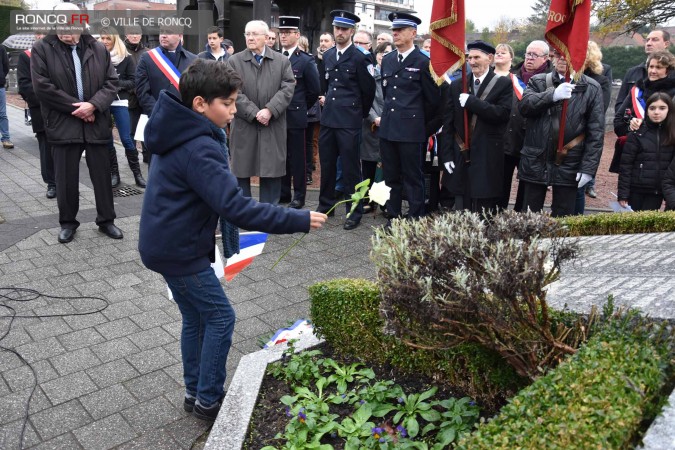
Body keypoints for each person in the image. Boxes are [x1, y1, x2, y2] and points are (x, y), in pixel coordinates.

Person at [138, 59, 327, 422]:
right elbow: (236, 207)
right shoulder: (199, 146)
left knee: (196, 318)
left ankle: (195, 393)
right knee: (221, 317)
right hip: (178, 250)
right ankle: (209, 400)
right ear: (199, 104)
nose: (233, 111)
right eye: (227, 103)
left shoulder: (177, 127)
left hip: (166, 242)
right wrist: (297, 218)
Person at [31, 4, 123, 243]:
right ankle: (68, 223)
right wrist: (79, 109)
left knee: (102, 177)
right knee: (65, 179)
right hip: (63, 124)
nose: (65, 32)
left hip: (96, 123)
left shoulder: (98, 48)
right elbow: (42, 87)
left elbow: (111, 83)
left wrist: (92, 105)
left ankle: (106, 221)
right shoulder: (42, 48)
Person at [517, 50, 605, 217]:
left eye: (568, 54)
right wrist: (552, 95)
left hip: (570, 159)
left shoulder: (592, 87)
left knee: (563, 218)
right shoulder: (538, 81)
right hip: (536, 156)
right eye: (558, 55)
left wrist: (588, 168)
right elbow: (525, 107)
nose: (563, 59)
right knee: (528, 217)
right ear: (552, 58)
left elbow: (596, 132)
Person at [316, 10, 376, 230]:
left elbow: (368, 90)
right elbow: (327, 84)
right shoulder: (329, 55)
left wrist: (359, 114)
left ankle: (355, 210)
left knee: (351, 169)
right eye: (337, 28)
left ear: (352, 31)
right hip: (329, 119)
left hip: (349, 121)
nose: (339, 32)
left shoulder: (361, 57)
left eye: (344, 29)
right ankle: (326, 206)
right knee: (328, 165)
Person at [379, 12, 440, 223]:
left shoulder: (424, 62)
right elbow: (388, 95)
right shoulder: (387, 60)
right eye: (393, 30)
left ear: (413, 33)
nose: (394, 33)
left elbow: (434, 102)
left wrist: (421, 128)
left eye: (400, 30)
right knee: (391, 177)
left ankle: (415, 218)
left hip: (412, 131)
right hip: (388, 129)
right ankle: (393, 216)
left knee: (414, 178)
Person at [226, 20, 295, 204]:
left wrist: (270, 110)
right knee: (241, 171)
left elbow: (288, 88)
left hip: (272, 125)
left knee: (271, 172)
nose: (250, 38)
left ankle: (269, 215)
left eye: (255, 34)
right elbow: (233, 92)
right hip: (244, 125)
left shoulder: (282, 61)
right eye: (247, 34)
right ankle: (243, 213)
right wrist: (255, 113)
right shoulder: (234, 61)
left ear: (266, 37)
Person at [442, 40, 512, 214]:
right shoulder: (457, 84)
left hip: (487, 154)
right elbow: (448, 122)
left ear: (489, 58)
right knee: (461, 205)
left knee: (483, 207)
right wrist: (447, 155)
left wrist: (473, 103)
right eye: (469, 57)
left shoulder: (502, 83)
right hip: (461, 152)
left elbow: (502, 114)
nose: (471, 61)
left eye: (476, 57)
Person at [498, 40, 550, 212]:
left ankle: (521, 221)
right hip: (508, 138)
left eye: (535, 55)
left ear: (545, 58)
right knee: (500, 185)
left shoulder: (551, 79)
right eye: (528, 53)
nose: (529, 58)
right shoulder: (511, 75)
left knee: (528, 192)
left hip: (534, 144)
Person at [135, 24, 197, 165]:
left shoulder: (193, 60)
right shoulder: (147, 58)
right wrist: (159, 113)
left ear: (180, 36)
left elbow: (196, 91)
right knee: (158, 165)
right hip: (158, 121)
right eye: (162, 32)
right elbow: (142, 92)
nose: (163, 35)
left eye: (168, 32)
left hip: (185, 122)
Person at [278, 16, 320, 209]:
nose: (283, 36)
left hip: (295, 116)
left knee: (298, 158)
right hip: (277, 115)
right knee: (281, 156)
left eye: (288, 33)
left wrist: (300, 106)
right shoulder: (275, 57)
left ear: (297, 35)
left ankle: (299, 195)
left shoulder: (305, 60)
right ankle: (284, 192)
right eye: (281, 33)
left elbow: (313, 91)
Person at [99, 27, 146, 188]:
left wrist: (115, 84)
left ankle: (137, 175)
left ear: (114, 39)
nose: (105, 41)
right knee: (108, 140)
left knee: (126, 138)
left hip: (120, 102)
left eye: (108, 38)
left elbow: (133, 81)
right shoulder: (96, 56)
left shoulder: (125, 58)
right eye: (102, 38)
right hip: (102, 102)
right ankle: (114, 174)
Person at [618, 93, 675, 211]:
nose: (656, 112)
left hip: (657, 190)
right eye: (652, 108)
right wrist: (623, 193)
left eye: (662, 108)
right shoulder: (637, 133)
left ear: (669, 109)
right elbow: (626, 165)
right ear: (647, 110)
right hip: (637, 188)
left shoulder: (671, 133)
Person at [18, 32, 55, 199]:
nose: (41, 36)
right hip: (40, 108)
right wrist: (47, 99)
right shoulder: (26, 56)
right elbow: (25, 85)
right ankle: (51, 183)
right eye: (38, 33)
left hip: (60, 109)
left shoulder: (57, 54)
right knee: (46, 147)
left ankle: (65, 181)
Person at [575, 41, 611, 213]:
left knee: (577, 188)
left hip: (582, 137)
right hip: (564, 137)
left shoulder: (600, 80)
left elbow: (599, 110)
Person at [361, 41, 390, 213]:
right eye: (381, 53)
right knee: (369, 167)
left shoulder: (393, 74)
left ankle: (382, 201)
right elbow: (365, 98)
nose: (384, 56)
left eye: (388, 53)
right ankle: (368, 201)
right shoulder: (369, 75)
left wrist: (387, 118)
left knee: (385, 167)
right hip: (370, 127)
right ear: (376, 55)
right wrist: (374, 117)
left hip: (388, 127)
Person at [615, 29, 670, 112]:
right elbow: (620, 105)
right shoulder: (632, 72)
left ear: (666, 44)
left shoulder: (672, 70)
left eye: (655, 40)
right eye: (647, 40)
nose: (649, 43)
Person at [124, 25, 149, 164]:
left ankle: (147, 155)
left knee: (145, 129)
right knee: (131, 132)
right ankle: (132, 159)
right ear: (126, 35)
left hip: (145, 97)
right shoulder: (121, 51)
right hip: (130, 98)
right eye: (131, 33)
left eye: (137, 33)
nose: (134, 36)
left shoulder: (147, 52)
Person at [0, 41, 11, 149]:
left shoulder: (1, 48)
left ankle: (6, 138)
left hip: (0, 86)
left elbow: (6, 65)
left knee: (2, 114)